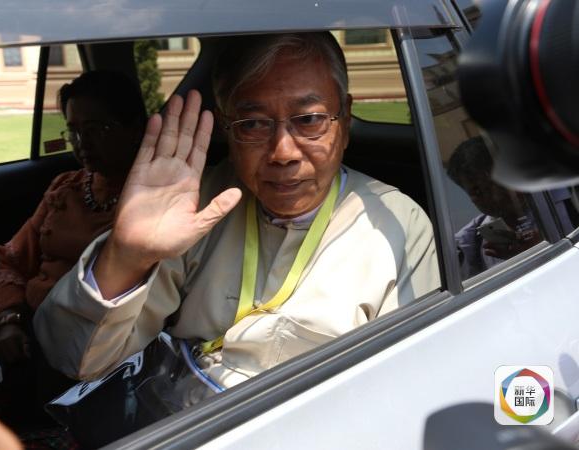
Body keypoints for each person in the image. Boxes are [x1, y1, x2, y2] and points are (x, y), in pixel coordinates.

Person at [34, 33, 440, 404]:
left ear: (345, 121)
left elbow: (404, 389)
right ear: (228, 131)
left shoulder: (398, 225)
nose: (283, 152)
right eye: (253, 124)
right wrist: (125, 256)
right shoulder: (195, 205)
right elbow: (76, 359)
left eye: (309, 119)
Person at [0, 70, 147, 366]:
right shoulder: (65, 187)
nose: (82, 142)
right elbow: (13, 259)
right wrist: (9, 318)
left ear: (134, 130)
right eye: (74, 131)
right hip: (23, 327)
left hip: (90, 347)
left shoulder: (152, 200)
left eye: (96, 129)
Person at [447, 136, 542, 278]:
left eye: (497, 182)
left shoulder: (566, 203)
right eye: (477, 192)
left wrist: (540, 247)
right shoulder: (468, 245)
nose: (495, 197)